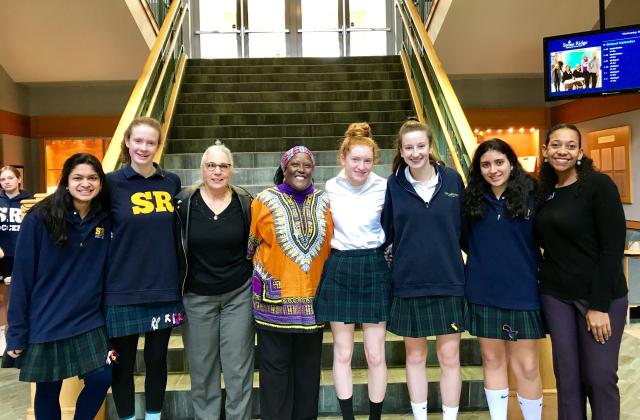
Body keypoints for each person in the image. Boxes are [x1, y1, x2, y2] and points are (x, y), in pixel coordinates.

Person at [3, 153, 112, 419]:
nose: (85, 184)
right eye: (78, 178)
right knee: (48, 390)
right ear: (66, 181)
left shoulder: (106, 217)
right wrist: (16, 332)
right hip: (46, 318)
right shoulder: (40, 217)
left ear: (100, 182)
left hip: (89, 319)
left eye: (92, 178)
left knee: (102, 377)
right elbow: (22, 278)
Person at [534, 123, 628, 420]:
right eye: (556, 145)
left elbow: (613, 248)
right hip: (557, 297)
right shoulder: (544, 192)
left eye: (570, 145)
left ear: (580, 153)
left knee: (599, 378)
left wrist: (598, 306)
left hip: (600, 297)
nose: (562, 151)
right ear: (545, 150)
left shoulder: (598, 186)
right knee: (568, 379)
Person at [382, 119, 466, 420]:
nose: (415, 152)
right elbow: (388, 231)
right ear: (401, 152)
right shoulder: (393, 184)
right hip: (408, 282)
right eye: (409, 147)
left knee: (449, 357)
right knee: (415, 356)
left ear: (431, 147)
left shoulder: (454, 180)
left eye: (421, 146)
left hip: (449, 281)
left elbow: (464, 229)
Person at [105, 116, 184, 420]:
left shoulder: (171, 181)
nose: (144, 147)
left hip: (164, 287)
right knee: (123, 365)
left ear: (158, 146)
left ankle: (153, 417)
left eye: (151, 142)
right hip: (122, 289)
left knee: (156, 360)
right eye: (138, 141)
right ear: (127, 142)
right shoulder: (111, 183)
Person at [248, 146, 333, 420]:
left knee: (308, 375)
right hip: (273, 303)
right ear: (284, 167)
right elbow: (251, 246)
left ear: (313, 169)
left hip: (313, 303)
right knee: (275, 374)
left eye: (307, 165)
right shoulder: (263, 199)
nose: (301, 169)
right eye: (295, 164)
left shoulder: (324, 201)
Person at [462, 139, 544, 420]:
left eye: (499, 162)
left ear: (511, 162)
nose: (493, 170)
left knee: (528, 366)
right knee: (493, 361)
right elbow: (464, 241)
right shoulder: (470, 199)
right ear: (478, 169)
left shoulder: (533, 194)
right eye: (485, 164)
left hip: (524, 292)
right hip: (483, 293)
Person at [314, 123, 391, 420]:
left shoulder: (384, 186)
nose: (361, 166)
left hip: (373, 265)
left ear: (374, 161)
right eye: (355, 159)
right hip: (341, 265)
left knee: (375, 354)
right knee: (343, 353)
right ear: (343, 158)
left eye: (367, 160)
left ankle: (374, 418)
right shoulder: (331, 187)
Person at [176, 142, 254, 420]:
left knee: (238, 369)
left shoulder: (246, 202)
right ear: (202, 168)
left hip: (238, 295)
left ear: (232, 170)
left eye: (224, 166)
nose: (217, 171)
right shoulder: (184, 202)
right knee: (202, 368)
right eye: (211, 165)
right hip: (196, 296)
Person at [0, 166, 33, 354]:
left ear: (19, 179)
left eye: (10, 178)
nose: (6, 182)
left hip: (21, 256)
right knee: (2, 296)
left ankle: (18, 333)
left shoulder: (29, 201)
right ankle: (2, 335)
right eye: (3, 179)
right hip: (2, 255)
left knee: (18, 295)